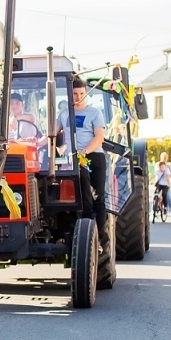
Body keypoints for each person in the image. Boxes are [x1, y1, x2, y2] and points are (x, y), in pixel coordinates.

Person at [56, 76, 111, 235]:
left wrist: (84, 152)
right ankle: (77, 227)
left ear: (86, 93)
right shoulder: (64, 113)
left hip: (93, 156)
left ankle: (99, 236)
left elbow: (99, 137)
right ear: (69, 94)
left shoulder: (95, 113)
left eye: (81, 93)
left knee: (98, 196)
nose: (78, 97)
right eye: (74, 93)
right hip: (72, 158)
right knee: (75, 192)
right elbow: (52, 133)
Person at [153, 153, 171, 221]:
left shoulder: (167, 168)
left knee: (164, 194)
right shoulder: (157, 167)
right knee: (156, 194)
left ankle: (165, 207)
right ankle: (156, 205)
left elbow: (168, 177)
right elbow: (153, 175)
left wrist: (168, 184)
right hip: (159, 184)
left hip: (165, 185)